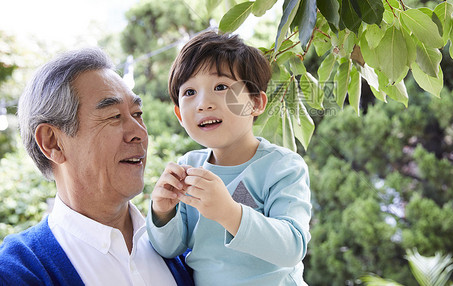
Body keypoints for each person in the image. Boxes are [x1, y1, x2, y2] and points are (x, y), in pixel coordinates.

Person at [0, 48, 194, 286]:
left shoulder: (184, 247)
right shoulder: (17, 272)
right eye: (113, 116)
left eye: (137, 113)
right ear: (53, 142)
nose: (139, 133)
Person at [147, 31, 312, 285]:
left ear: (256, 103)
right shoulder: (188, 168)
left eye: (221, 87)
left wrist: (229, 212)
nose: (203, 103)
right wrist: (162, 211)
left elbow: (292, 246)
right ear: (179, 115)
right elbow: (169, 248)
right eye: (189, 92)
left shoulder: (282, 167)